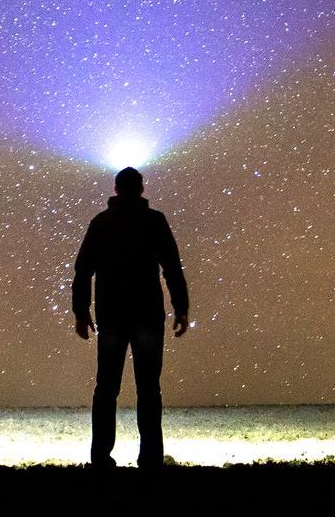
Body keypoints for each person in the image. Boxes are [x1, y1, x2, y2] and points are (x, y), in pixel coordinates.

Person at [72, 166, 190, 469]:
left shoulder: (102, 222)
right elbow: (172, 267)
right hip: (147, 313)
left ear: (115, 188)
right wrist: (181, 307)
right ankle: (150, 458)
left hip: (111, 313)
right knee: (149, 387)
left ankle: (100, 458)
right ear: (141, 188)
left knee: (106, 387)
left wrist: (81, 312)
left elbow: (83, 269)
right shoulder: (154, 221)